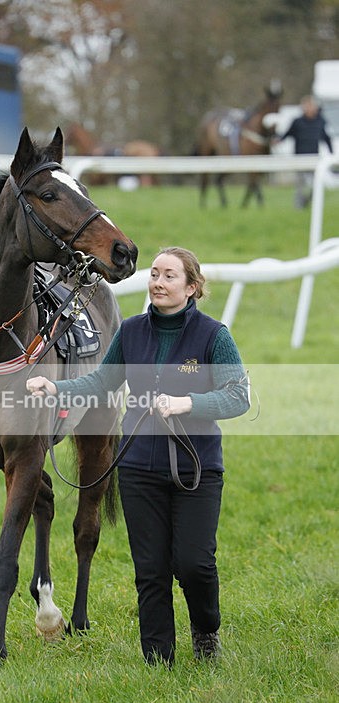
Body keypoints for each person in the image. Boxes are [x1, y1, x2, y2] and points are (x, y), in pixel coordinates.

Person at [26, 247, 250, 667]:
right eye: (154, 275)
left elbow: (239, 396)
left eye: (169, 277)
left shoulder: (213, 336)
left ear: (192, 287)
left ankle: (206, 632)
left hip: (195, 470)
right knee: (150, 570)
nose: (158, 283)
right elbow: (101, 381)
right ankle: (157, 659)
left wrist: (188, 403)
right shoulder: (131, 332)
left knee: (194, 564)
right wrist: (57, 389)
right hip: (137, 467)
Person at [277, 95, 333, 208]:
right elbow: (287, 134)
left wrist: (332, 154)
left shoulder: (320, 122)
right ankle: (299, 206)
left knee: (316, 185)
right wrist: (278, 140)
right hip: (299, 158)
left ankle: (309, 202)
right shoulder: (297, 122)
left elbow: (326, 138)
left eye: (310, 106)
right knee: (300, 185)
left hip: (314, 158)